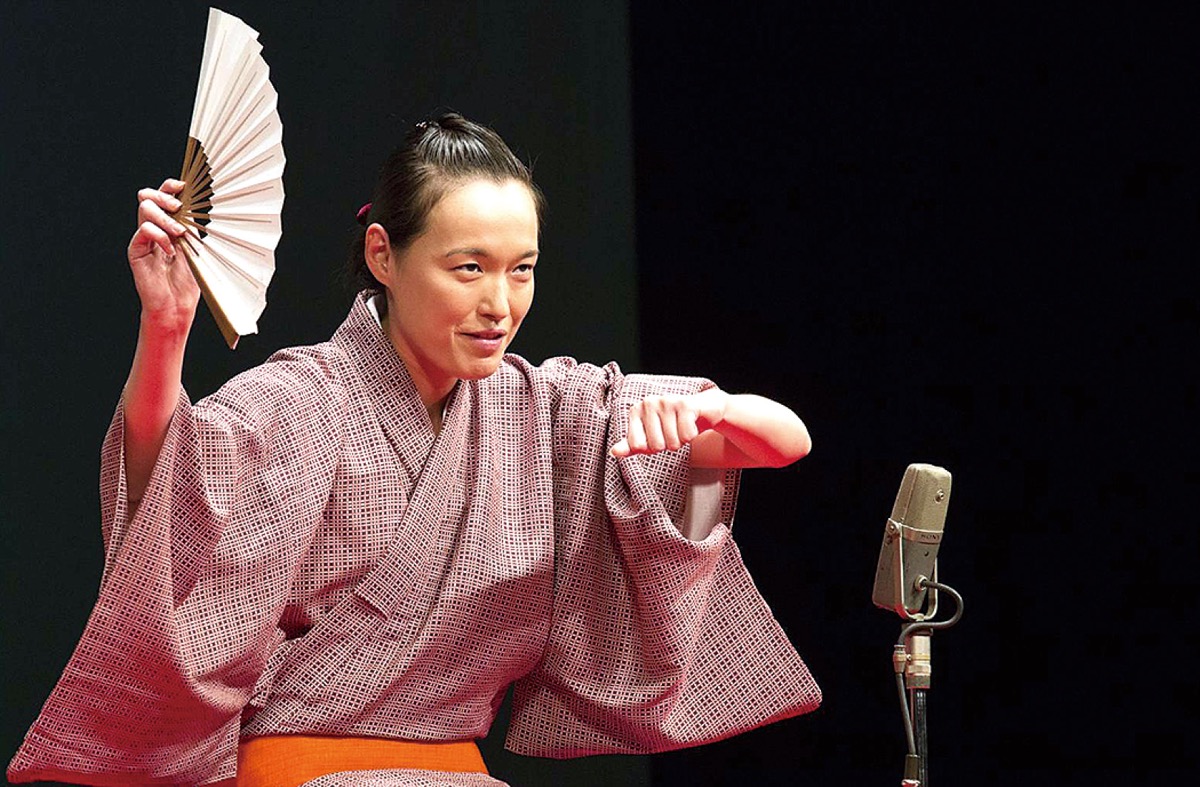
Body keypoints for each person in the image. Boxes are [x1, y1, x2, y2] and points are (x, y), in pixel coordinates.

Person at [9, 113, 821, 787]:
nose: (500, 303)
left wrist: (714, 413)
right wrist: (166, 327)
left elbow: (786, 441)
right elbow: (164, 494)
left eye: (522, 270)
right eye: (469, 268)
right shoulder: (303, 398)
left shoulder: (545, 409)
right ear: (383, 255)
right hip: (299, 771)